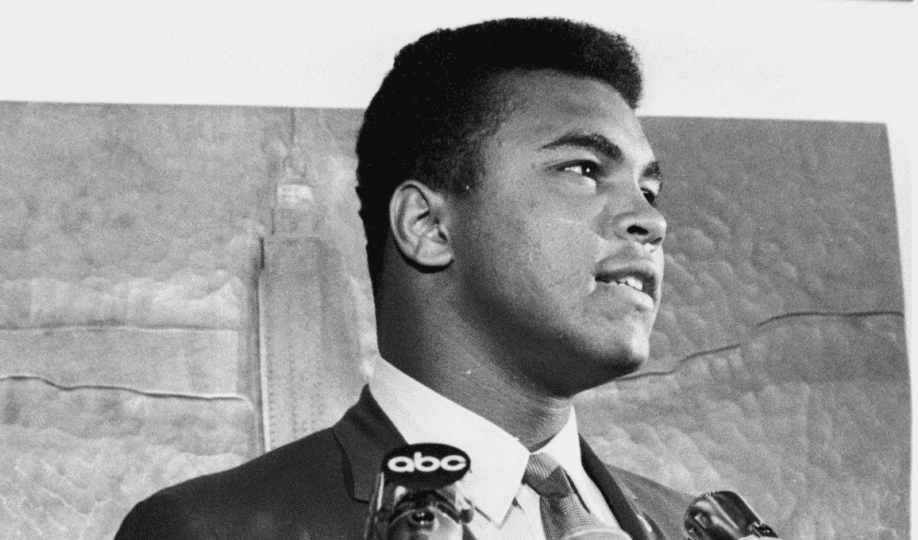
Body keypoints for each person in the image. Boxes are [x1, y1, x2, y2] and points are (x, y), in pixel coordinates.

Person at [115, 17, 691, 540]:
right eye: (583, 170)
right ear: (428, 226)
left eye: (650, 189)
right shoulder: (213, 530)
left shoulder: (689, 524)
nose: (650, 219)